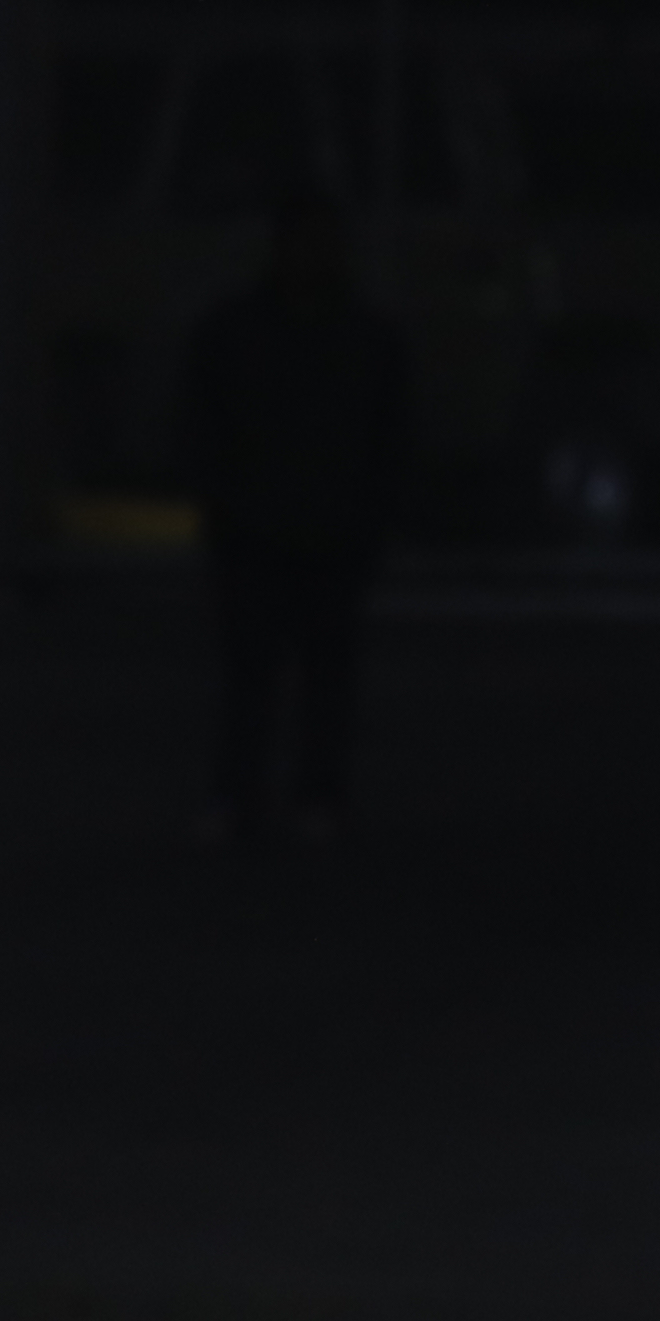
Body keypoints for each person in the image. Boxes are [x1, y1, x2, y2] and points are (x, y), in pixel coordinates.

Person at [184, 192, 415, 848]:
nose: (316, 254)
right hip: (265, 531)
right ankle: (260, 798)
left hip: (320, 531)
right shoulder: (255, 332)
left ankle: (289, 798)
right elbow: (202, 424)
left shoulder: (352, 336)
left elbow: (392, 432)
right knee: (264, 678)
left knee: (313, 680)